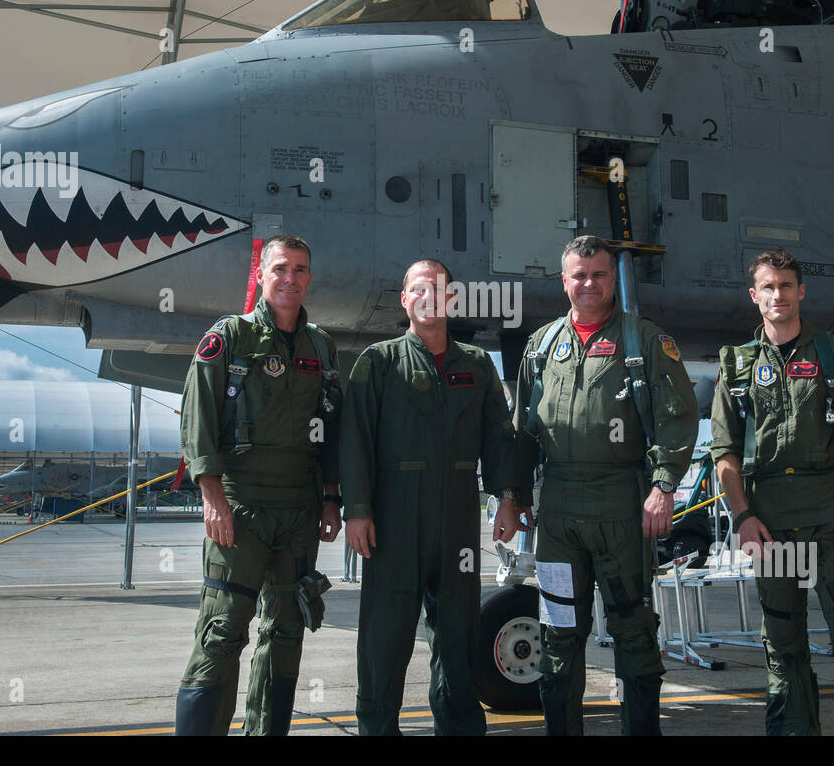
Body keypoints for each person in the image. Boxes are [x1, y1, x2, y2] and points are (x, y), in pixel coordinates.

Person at [495, 236, 698, 736]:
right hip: (559, 517)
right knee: (559, 637)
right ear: (564, 281)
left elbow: (678, 417)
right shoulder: (541, 346)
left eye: (599, 274)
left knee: (633, 635)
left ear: (612, 279)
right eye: (578, 275)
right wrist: (514, 495)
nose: (589, 283)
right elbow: (522, 429)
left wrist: (664, 485)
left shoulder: (644, 341)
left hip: (622, 508)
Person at [710, 247, 834, 736]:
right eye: (769, 287)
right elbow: (725, 453)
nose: (779, 295)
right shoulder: (736, 365)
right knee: (783, 648)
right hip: (771, 528)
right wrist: (742, 517)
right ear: (754, 296)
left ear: (802, 292)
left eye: (787, 285)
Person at [174, 235, 344, 736]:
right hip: (240, 508)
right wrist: (212, 496)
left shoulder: (322, 346)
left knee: (287, 631)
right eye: (280, 268)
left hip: (299, 511)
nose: (289, 278)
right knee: (223, 632)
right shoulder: (229, 338)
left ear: (309, 278)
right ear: (262, 275)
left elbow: (331, 428)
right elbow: (197, 418)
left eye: (299, 269)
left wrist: (332, 498)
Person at [341, 258, 519, 735]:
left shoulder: (477, 365)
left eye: (439, 290)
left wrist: (508, 497)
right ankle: (377, 727)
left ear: (452, 300)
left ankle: (459, 725)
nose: (429, 297)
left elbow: (499, 437)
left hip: (458, 516)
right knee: (385, 635)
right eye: (418, 289)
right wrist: (356, 510)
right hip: (394, 518)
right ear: (405, 299)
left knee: (458, 632)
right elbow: (354, 439)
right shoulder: (377, 362)